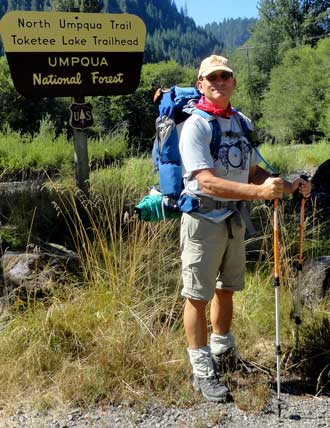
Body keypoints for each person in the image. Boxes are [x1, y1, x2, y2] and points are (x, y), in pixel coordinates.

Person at [179, 54, 311, 402]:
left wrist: (289, 186)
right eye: (212, 78)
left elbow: (255, 173)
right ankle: (202, 371)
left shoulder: (241, 122)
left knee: (226, 289)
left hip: (234, 218)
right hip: (203, 220)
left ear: (234, 82)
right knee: (197, 296)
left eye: (225, 76)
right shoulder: (195, 126)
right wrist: (259, 193)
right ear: (201, 85)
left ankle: (224, 353)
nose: (219, 82)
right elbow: (205, 182)